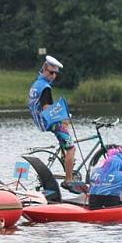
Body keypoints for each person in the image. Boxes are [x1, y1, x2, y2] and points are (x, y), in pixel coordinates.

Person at [27, 55, 76, 190]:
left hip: (40, 121)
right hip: (49, 122)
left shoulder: (36, 84)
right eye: (50, 72)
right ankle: (68, 180)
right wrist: (63, 117)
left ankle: (64, 157)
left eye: (55, 73)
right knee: (72, 148)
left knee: (66, 129)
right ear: (44, 70)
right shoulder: (45, 88)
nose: (53, 75)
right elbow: (47, 109)